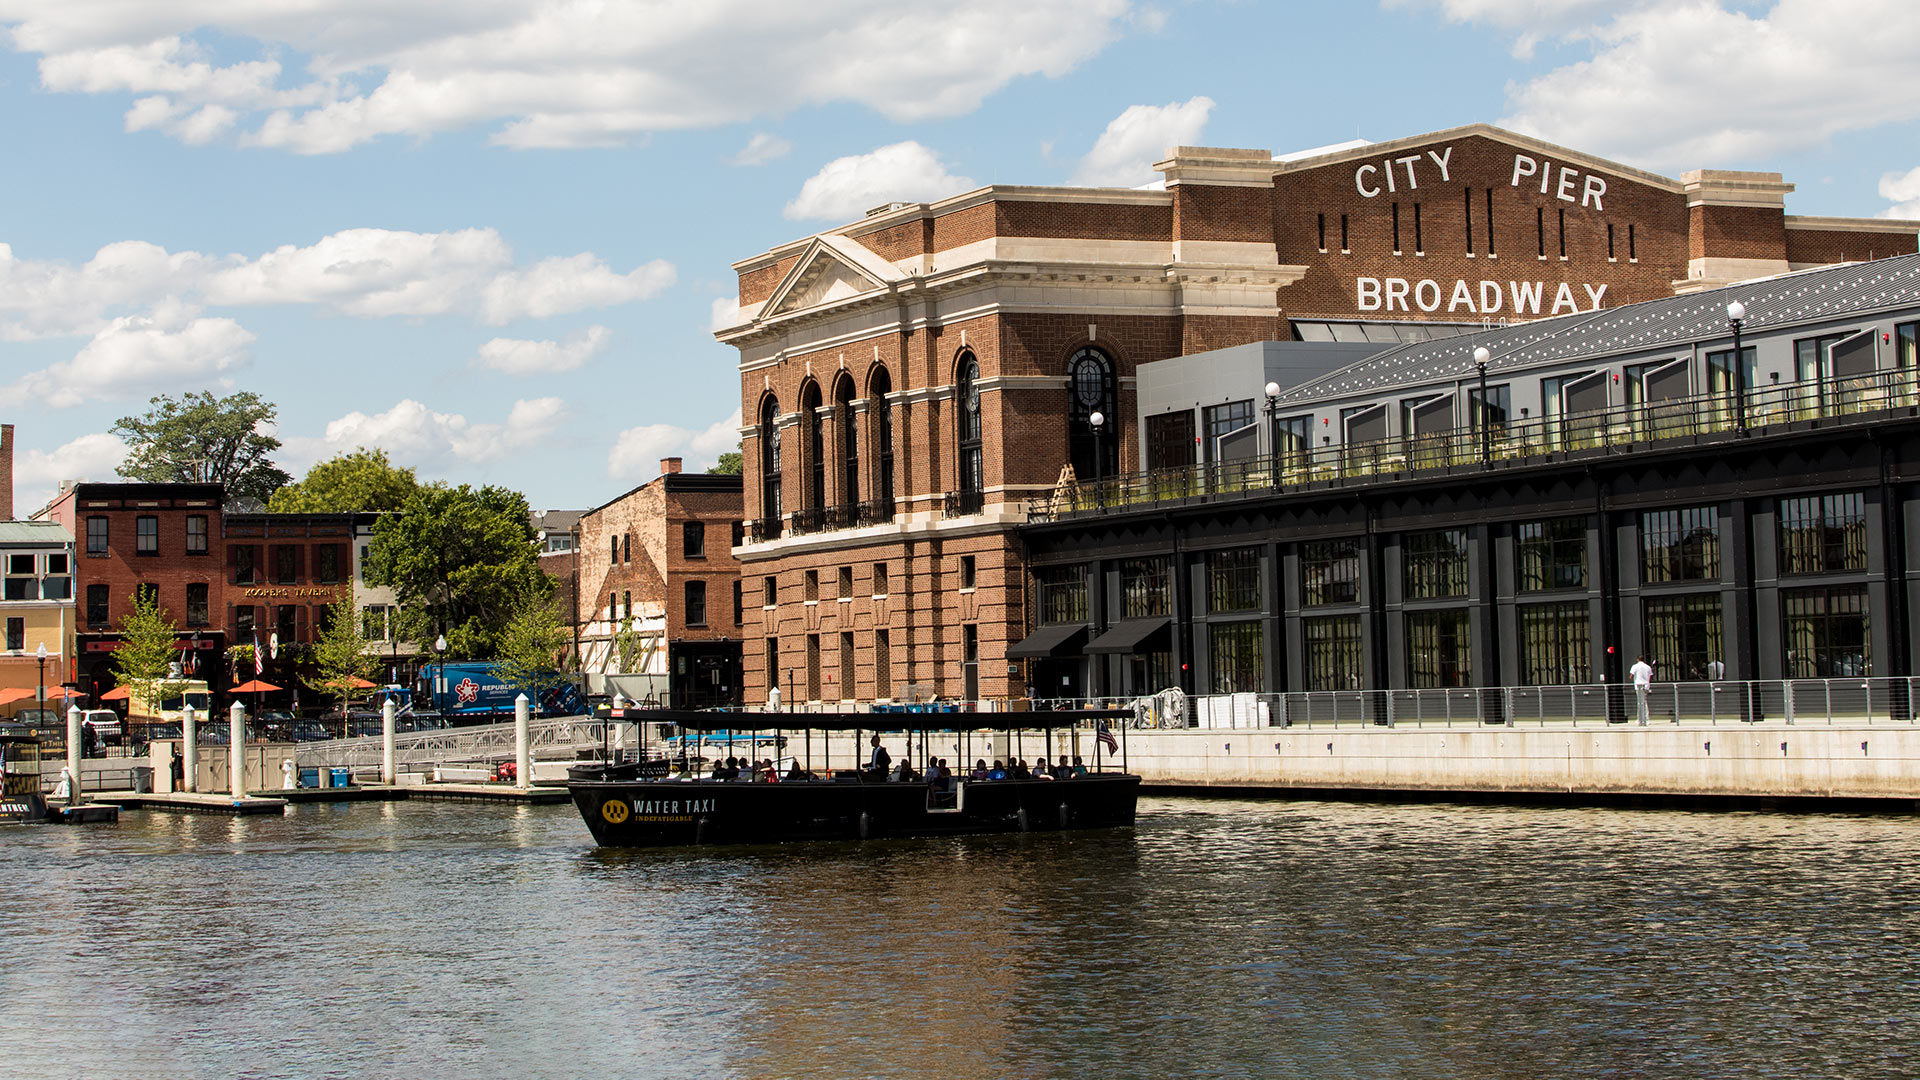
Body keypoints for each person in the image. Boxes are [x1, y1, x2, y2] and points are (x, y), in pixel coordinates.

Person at [1630, 654, 1655, 725]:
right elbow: (1651, 676)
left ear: (1637, 659)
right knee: (1644, 701)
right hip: (1646, 685)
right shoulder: (1648, 667)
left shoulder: (1635, 666)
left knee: (1640, 702)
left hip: (1638, 685)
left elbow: (1631, 676)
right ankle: (1645, 718)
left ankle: (1641, 719)